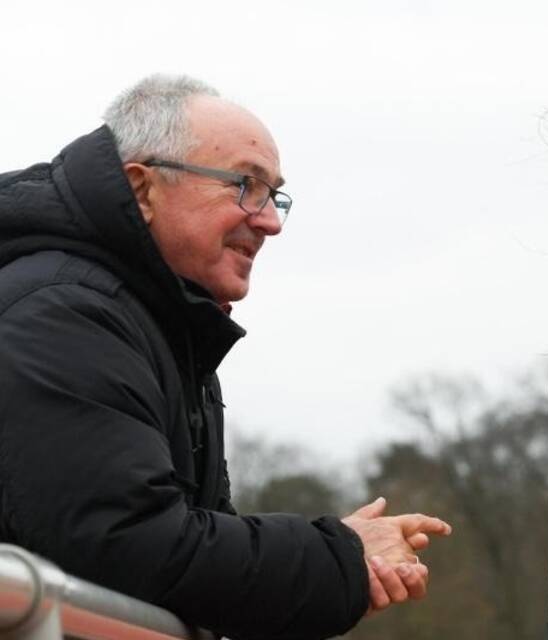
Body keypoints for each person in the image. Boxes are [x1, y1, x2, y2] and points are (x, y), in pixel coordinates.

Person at [0, 74, 451, 639]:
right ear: (142, 189)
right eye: (245, 185)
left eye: (273, 194)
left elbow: (192, 540)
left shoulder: (168, 322)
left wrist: (344, 559)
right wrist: (338, 557)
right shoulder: (60, 315)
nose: (270, 221)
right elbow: (129, 548)